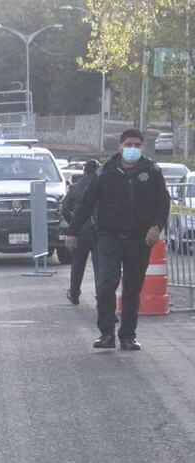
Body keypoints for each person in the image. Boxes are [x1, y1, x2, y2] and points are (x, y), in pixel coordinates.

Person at [67, 129, 170, 350]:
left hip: (139, 240)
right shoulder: (105, 172)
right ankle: (106, 333)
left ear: (142, 147)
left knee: (132, 288)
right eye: (128, 144)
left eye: (137, 144)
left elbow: (164, 202)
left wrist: (156, 226)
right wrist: (73, 231)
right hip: (109, 237)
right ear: (120, 146)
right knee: (107, 284)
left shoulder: (151, 171)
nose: (132, 148)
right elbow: (87, 202)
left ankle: (128, 336)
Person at [61, 159, 101, 305]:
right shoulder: (102, 185)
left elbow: (64, 209)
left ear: (84, 170)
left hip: (80, 230)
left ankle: (74, 293)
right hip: (99, 229)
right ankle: (101, 297)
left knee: (78, 264)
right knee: (100, 266)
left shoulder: (75, 188)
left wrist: (73, 224)